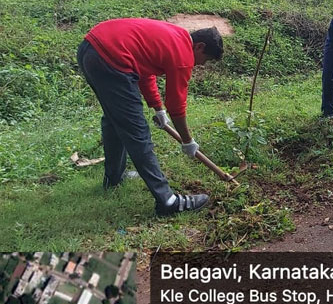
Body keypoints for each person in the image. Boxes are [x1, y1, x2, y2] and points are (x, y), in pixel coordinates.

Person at [76, 18, 223, 216]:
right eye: (203, 60)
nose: (199, 65)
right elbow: (177, 106)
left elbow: (145, 70)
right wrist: (187, 141)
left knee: (114, 121)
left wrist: (157, 107)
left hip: (91, 49)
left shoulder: (175, 36)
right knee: (138, 132)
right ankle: (168, 202)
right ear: (199, 46)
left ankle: (114, 178)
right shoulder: (183, 54)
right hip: (111, 58)